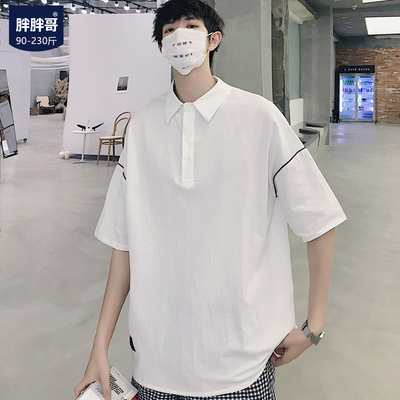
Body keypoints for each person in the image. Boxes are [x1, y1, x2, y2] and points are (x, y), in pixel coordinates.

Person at [74, 1, 347, 399]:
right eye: (169, 30)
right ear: (161, 47)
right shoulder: (143, 127)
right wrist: (98, 346)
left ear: (213, 39)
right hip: (156, 362)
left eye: (190, 25)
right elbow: (124, 246)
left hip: (244, 364)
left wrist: (314, 326)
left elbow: (319, 219)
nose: (179, 36)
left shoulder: (259, 117)